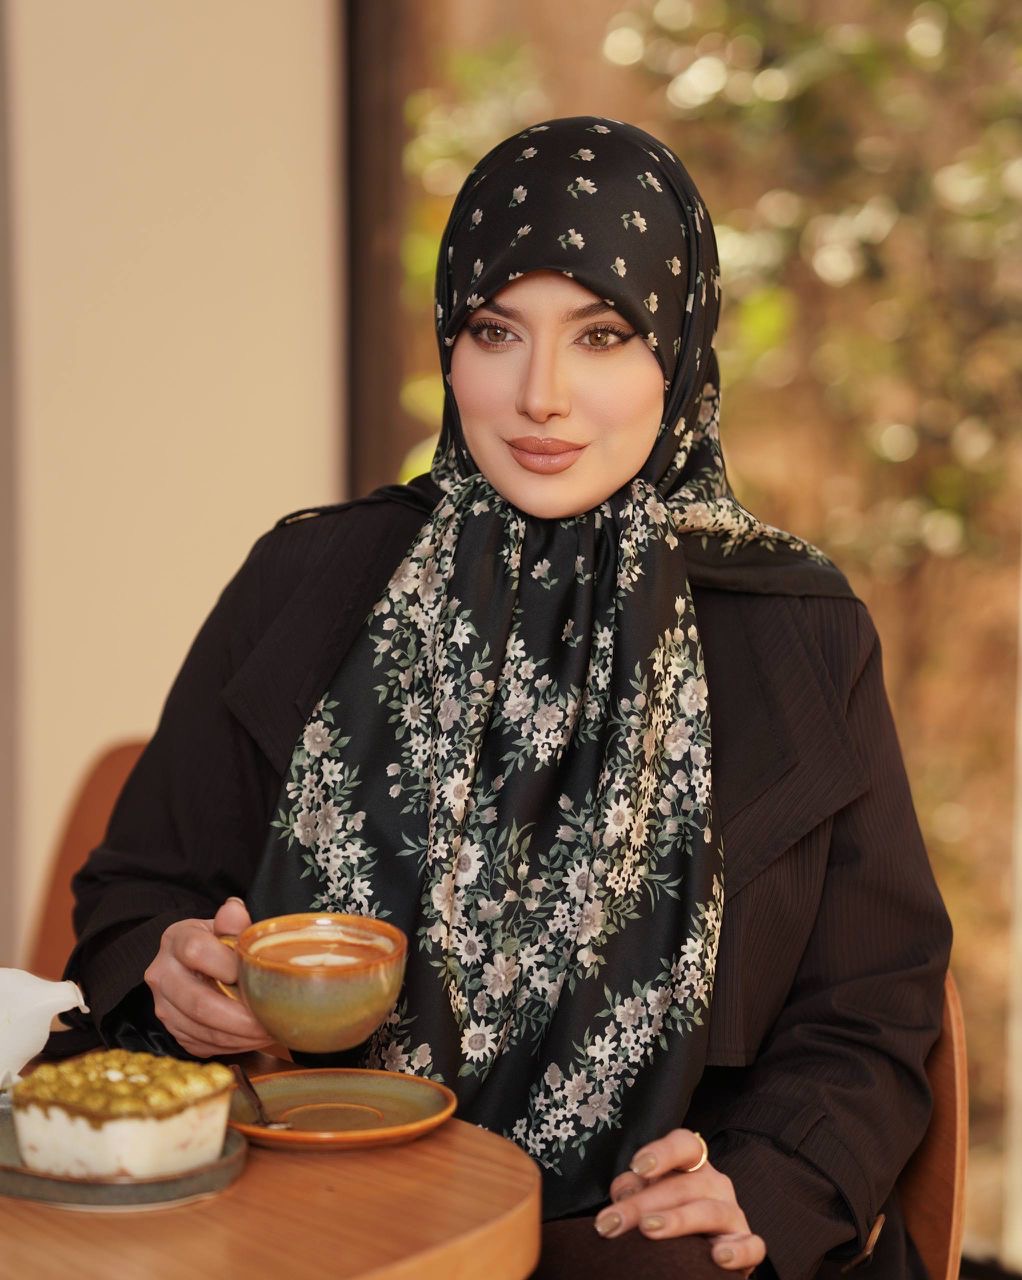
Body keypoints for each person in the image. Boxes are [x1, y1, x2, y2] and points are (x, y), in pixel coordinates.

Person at [60, 117, 951, 1279]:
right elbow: (137, 893)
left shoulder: (793, 630)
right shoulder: (306, 579)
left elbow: (871, 1006)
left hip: (631, 1245)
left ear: (676, 352)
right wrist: (170, 972)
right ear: (449, 347)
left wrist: (760, 1186)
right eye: (496, 331)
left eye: (600, 335)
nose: (541, 395)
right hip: (309, 1215)